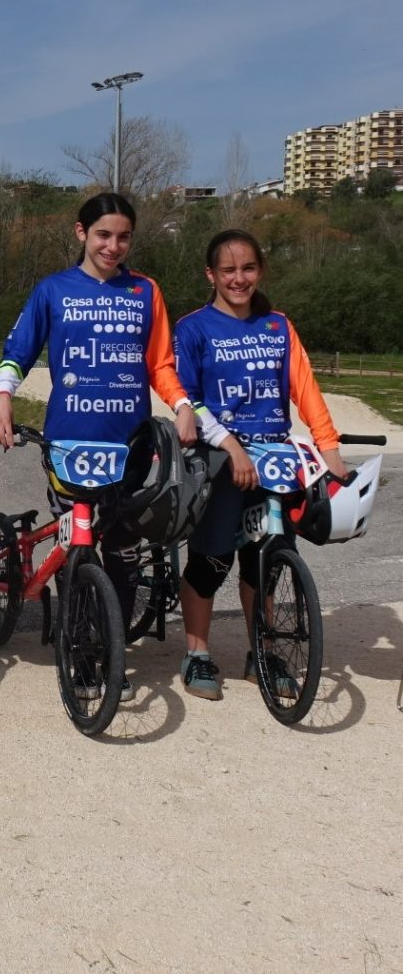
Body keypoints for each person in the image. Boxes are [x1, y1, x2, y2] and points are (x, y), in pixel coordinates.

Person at [0, 192, 198, 701]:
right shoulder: (53, 290)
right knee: (78, 551)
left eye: (124, 236)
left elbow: (160, 364)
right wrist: (1, 399)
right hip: (68, 442)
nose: (114, 245)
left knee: (124, 558)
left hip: (129, 447)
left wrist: (183, 404)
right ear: (81, 233)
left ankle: (112, 650)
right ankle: (79, 648)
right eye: (104, 234)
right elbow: (18, 351)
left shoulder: (146, 291)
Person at [173, 228, 347, 701]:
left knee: (264, 561)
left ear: (260, 270)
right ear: (211, 274)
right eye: (228, 270)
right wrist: (230, 447)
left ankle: (262, 653)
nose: (238, 278)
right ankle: (197, 653)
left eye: (248, 268)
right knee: (211, 562)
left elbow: (305, 391)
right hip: (219, 458)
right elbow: (186, 399)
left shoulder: (277, 325)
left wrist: (330, 454)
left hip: (274, 457)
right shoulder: (193, 328)